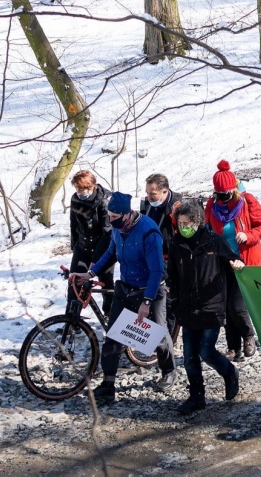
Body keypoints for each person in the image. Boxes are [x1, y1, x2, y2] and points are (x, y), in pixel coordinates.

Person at [71, 191, 177, 402]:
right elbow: (111, 252)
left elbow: (157, 271)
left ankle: (169, 371)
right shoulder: (118, 230)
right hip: (126, 288)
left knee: (156, 335)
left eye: (114, 218)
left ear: (127, 215)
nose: (111, 221)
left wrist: (147, 302)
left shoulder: (148, 232)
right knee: (113, 336)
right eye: (109, 216)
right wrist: (90, 273)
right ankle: (108, 385)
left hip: (150, 290)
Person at [167, 201, 242, 414]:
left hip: (211, 305)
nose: (183, 227)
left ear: (198, 222)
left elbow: (234, 260)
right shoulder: (176, 244)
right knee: (190, 356)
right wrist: (175, 299)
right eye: (180, 223)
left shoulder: (214, 242)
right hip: (187, 308)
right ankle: (197, 396)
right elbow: (172, 273)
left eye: (187, 223)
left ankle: (229, 372)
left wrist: (236, 263)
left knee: (206, 351)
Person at [206, 160, 261, 360]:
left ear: (233, 190)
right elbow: (207, 229)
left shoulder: (248, 201)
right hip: (223, 262)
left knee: (237, 305)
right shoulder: (212, 205)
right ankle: (234, 347)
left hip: (245, 262)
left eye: (225, 195)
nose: (221, 199)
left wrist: (248, 235)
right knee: (225, 307)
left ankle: (249, 336)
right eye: (218, 195)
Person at [140, 173, 182, 335]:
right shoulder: (147, 203)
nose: (149, 197)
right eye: (147, 192)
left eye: (153, 193)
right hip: (150, 258)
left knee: (167, 302)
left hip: (170, 260)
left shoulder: (177, 207)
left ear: (165, 191)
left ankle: (167, 341)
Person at [68, 170, 113, 314]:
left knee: (106, 281)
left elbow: (107, 233)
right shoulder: (75, 199)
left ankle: (109, 314)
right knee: (75, 281)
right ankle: (71, 319)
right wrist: (75, 246)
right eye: (77, 189)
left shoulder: (105, 200)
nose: (79, 193)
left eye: (82, 189)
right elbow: (73, 224)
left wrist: (95, 261)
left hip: (104, 247)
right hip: (83, 246)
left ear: (92, 186)